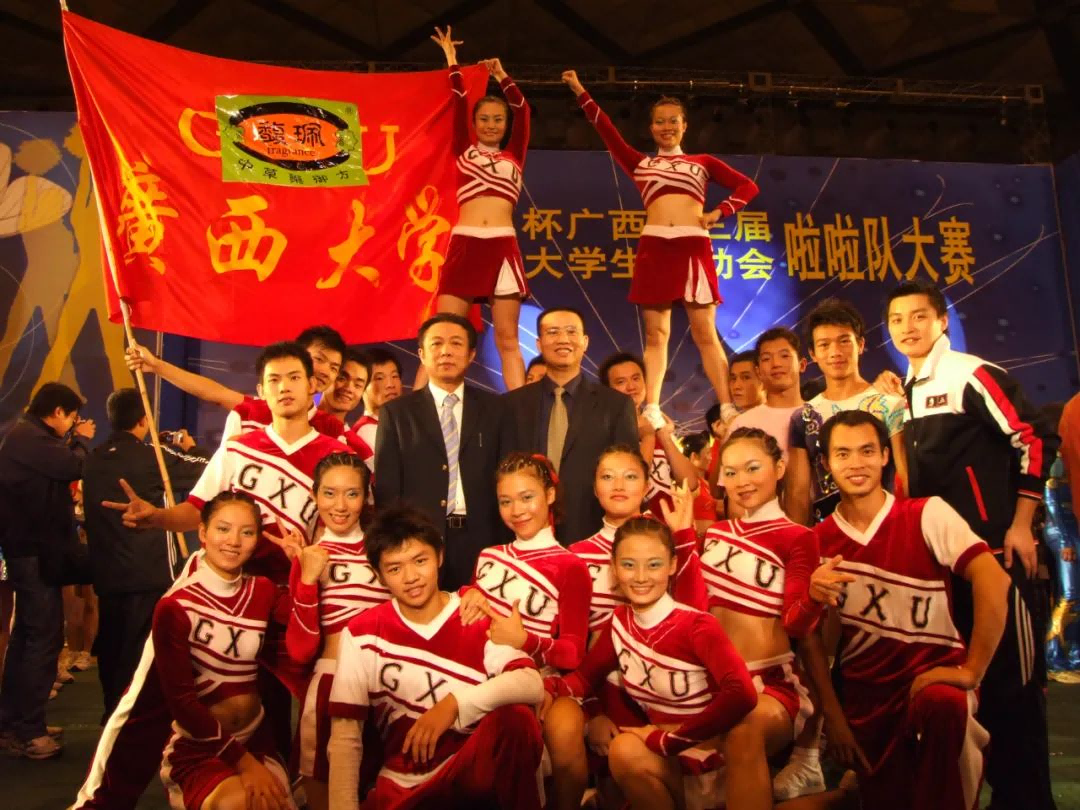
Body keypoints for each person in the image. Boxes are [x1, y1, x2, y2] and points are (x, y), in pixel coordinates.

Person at [73, 343, 347, 810]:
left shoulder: (334, 457)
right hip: (212, 584)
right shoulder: (238, 448)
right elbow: (196, 510)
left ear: (312, 387)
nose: (284, 388)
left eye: (294, 378)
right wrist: (156, 517)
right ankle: (100, 801)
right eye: (274, 380)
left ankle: (280, 784)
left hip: (280, 600)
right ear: (261, 390)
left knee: (300, 701)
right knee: (148, 700)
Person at [885, 280, 1058, 810]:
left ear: (942, 321)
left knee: (1014, 693)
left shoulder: (970, 374)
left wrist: (1021, 523)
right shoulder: (904, 392)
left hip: (998, 558)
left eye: (919, 316)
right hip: (945, 567)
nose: (908, 327)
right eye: (897, 319)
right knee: (969, 691)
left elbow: (1033, 438)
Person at [801, 410, 1011, 810]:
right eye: (843, 454)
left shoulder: (926, 513)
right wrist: (835, 720)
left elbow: (994, 580)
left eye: (867, 451)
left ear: (885, 456)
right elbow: (811, 638)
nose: (856, 463)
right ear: (825, 463)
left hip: (936, 684)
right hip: (868, 703)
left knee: (943, 707)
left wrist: (972, 670)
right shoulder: (817, 540)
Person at [561, 70, 759, 422]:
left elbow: (748, 187)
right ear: (651, 127)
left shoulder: (702, 163)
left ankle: (727, 406)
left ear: (685, 126)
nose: (666, 127)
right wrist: (580, 92)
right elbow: (607, 130)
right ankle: (652, 407)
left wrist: (719, 212)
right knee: (657, 334)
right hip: (655, 248)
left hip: (693, 247)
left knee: (705, 333)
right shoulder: (641, 164)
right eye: (659, 122)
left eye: (673, 121)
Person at [326, 504, 546, 810]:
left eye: (420, 561)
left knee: (516, 719)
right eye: (395, 568)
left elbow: (531, 683)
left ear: (440, 556)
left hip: (468, 773)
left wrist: (454, 705)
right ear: (379, 576)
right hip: (404, 788)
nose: (411, 577)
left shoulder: (474, 614)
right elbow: (345, 738)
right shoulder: (362, 632)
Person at [545, 516, 758, 810]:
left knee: (742, 733)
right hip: (666, 761)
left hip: (711, 759)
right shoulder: (619, 621)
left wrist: (670, 740)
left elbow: (743, 693)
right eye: (629, 565)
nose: (641, 577)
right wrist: (545, 689)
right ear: (614, 567)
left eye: (654, 564)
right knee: (623, 750)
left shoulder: (697, 625)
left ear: (672, 565)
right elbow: (583, 678)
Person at [702, 427, 828, 805]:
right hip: (709, 683)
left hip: (768, 683)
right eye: (731, 472)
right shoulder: (715, 534)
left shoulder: (798, 537)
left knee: (743, 733)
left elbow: (796, 624)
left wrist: (814, 597)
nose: (741, 481)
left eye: (752, 468)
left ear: (779, 468)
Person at [459, 452, 591, 810]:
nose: (517, 510)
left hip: (533, 680)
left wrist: (526, 641)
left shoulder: (570, 567)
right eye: (506, 501)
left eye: (527, 497)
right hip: (475, 672)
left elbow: (573, 652)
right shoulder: (488, 555)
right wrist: (467, 593)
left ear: (550, 495)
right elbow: (471, 614)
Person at [152, 490, 299, 810]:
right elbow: (182, 704)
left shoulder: (262, 590)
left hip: (257, 740)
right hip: (201, 748)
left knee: (269, 803)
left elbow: (306, 626)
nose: (233, 541)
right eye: (223, 529)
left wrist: (300, 567)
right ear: (202, 533)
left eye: (247, 532)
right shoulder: (175, 607)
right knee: (241, 803)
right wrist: (245, 764)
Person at [82, 388, 210, 718]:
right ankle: (133, 719)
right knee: (142, 652)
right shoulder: (153, 456)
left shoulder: (93, 458)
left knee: (112, 647)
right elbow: (207, 468)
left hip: (106, 571)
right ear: (144, 421)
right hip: (148, 570)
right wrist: (188, 446)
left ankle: (112, 713)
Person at [425, 27, 530, 391]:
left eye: (498, 119)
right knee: (442, 333)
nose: (491, 125)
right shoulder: (463, 151)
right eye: (484, 119)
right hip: (465, 243)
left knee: (507, 338)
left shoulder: (514, 155)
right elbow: (458, 101)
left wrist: (502, 76)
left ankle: (520, 410)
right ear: (473, 124)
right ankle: (421, 410)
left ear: (506, 125)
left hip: (502, 245)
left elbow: (523, 110)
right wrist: (452, 62)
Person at [284, 452, 388, 810]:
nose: (340, 506)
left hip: (390, 686)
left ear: (366, 496)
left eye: (351, 494)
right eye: (329, 493)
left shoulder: (386, 550)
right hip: (331, 685)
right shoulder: (309, 556)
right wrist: (307, 580)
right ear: (314, 495)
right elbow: (299, 650)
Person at [375, 314, 509, 590]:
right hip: (418, 542)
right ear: (422, 354)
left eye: (456, 343)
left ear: (471, 355)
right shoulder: (397, 414)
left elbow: (506, 477)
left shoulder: (496, 409)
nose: (446, 351)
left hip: (483, 540)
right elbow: (388, 489)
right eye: (436, 343)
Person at [0, 382, 95, 759]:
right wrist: (82, 440)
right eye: (71, 417)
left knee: (28, 638)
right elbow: (74, 466)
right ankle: (30, 731)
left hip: (31, 553)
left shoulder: (25, 435)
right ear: (57, 412)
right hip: (33, 554)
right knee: (41, 639)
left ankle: (13, 723)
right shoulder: (29, 437)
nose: (73, 424)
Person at [502, 307, 638, 544]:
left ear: (585, 342)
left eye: (571, 332)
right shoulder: (512, 404)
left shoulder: (616, 405)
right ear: (539, 343)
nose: (563, 339)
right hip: (526, 533)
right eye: (553, 332)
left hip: (593, 533)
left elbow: (627, 471)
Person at [786, 299, 907, 528]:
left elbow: (907, 480)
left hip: (887, 530)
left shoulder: (890, 405)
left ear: (860, 345)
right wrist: (799, 544)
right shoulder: (803, 417)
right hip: (828, 534)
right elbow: (798, 492)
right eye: (824, 345)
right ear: (812, 354)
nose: (835, 352)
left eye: (844, 341)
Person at [127, 325, 348, 448]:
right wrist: (156, 366)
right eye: (319, 359)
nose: (325, 371)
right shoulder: (250, 414)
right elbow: (214, 393)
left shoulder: (334, 431)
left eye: (334, 367)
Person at [598, 351, 698, 515]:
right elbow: (633, 481)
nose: (631, 387)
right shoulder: (604, 430)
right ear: (607, 390)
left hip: (667, 523)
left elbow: (690, 483)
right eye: (621, 382)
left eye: (636, 378)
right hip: (630, 525)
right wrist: (648, 437)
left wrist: (664, 437)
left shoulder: (656, 424)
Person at [350, 348, 403, 470]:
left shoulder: (396, 424)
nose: (390, 384)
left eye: (395, 376)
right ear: (361, 386)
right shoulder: (366, 431)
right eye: (379, 378)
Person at [320, 349, 371, 428]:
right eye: (341, 379)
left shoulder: (350, 436)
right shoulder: (301, 422)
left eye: (357, 385)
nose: (348, 388)